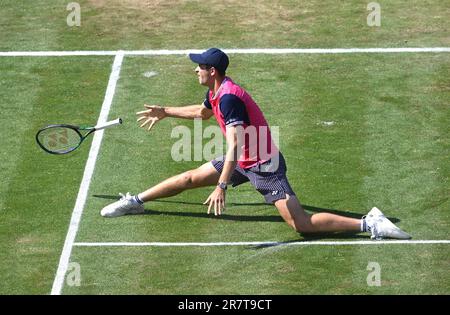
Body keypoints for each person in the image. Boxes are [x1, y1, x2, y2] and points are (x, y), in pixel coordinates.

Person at [100, 48, 411, 240]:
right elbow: (202, 113)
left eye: (199, 66)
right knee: (189, 177)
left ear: (212, 71)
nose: (195, 69)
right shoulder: (216, 91)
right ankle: (135, 202)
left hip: (262, 163)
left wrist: (221, 186)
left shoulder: (230, 98)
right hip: (247, 157)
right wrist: (166, 112)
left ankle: (369, 223)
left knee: (300, 224)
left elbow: (234, 146)